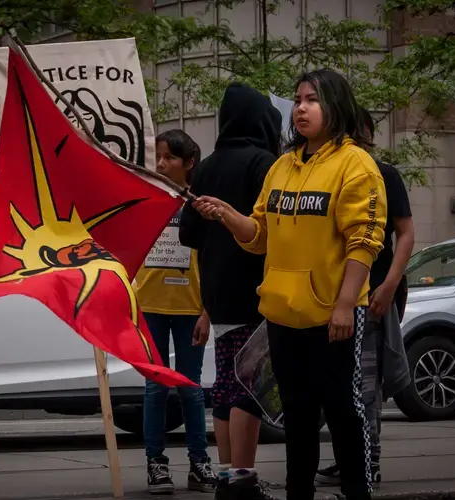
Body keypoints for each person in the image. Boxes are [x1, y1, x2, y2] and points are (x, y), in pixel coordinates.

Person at [191, 69, 388, 500]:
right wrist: (226, 213)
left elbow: (365, 240)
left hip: (333, 314)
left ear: (336, 106)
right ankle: (299, 493)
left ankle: (358, 492)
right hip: (282, 314)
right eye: (298, 100)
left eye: (312, 100)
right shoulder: (281, 165)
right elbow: (257, 235)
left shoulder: (356, 164)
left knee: (341, 409)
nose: (301, 108)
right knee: (297, 415)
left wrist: (344, 304)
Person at [179, 82, 282, 500]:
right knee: (251, 385)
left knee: (224, 383)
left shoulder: (205, 168)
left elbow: (189, 233)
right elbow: (274, 230)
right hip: (255, 290)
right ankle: (243, 477)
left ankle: (225, 474)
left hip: (215, 291)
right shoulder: (265, 163)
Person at [315, 107, 414, 487]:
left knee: (365, 383)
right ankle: (350, 457)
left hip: (372, 295)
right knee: (341, 383)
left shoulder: (384, 174)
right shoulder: (327, 172)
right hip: (331, 296)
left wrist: (388, 286)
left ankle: (366, 464)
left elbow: (405, 234)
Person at [135, 129, 218, 494]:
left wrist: (207, 311)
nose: (161, 163)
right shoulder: (145, 198)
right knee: (155, 388)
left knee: (190, 388)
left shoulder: (201, 204)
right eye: (159, 156)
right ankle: (156, 464)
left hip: (190, 309)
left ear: (189, 164)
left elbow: (213, 260)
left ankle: (199, 464)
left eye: (169, 157)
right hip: (149, 305)